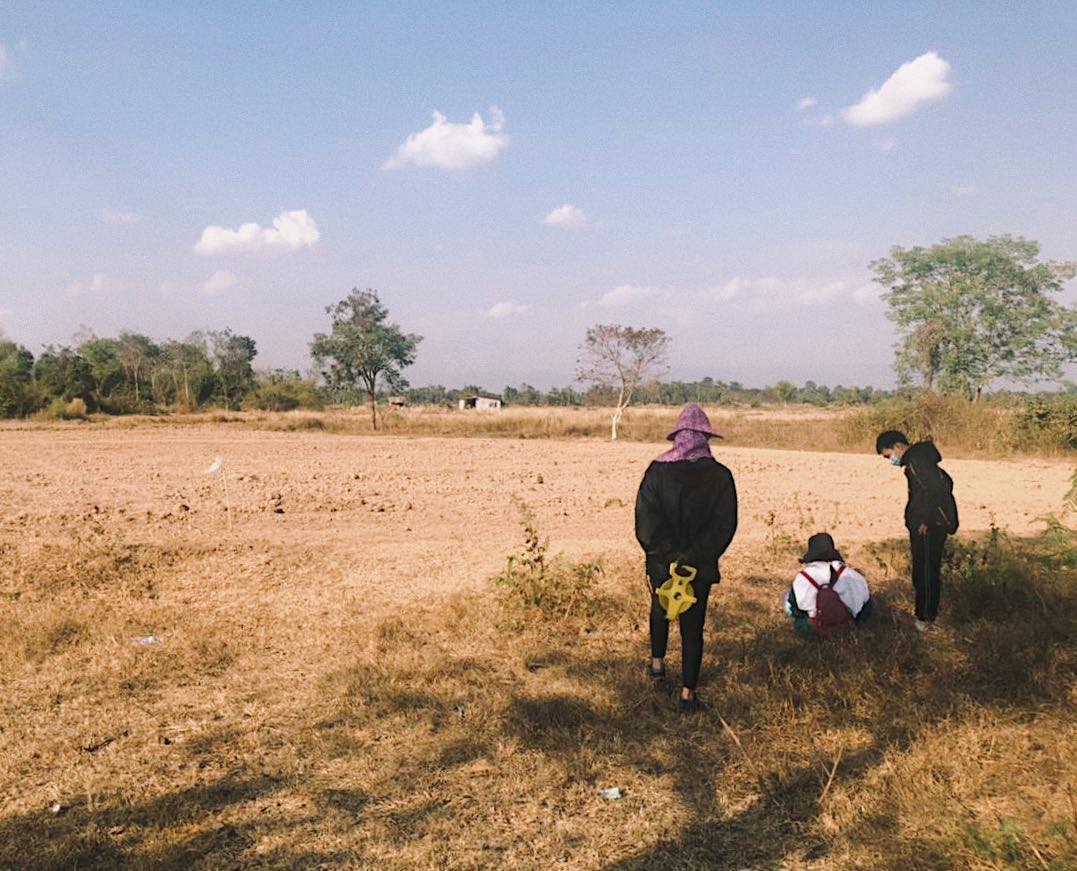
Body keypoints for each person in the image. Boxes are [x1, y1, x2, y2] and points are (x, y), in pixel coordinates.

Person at [635, 404, 738, 711]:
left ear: (677, 436)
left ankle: (656, 664)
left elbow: (645, 522)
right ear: (706, 437)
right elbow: (724, 526)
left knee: (660, 608)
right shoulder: (720, 476)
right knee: (694, 626)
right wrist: (692, 557)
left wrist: (667, 556)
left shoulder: (656, 470)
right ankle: (687, 693)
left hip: (661, 563)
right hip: (699, 567)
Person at [875, 430, 959, 632]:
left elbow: (936, 489)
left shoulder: (917, 461)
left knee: (926, 573)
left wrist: (925, 520)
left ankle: (925, 618)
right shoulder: (920, 460)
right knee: (923, 571)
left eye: (889, 455)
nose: (891, 460)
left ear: (897, 447)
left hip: (929, 528)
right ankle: (923, 615)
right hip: (929, 525)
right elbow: (944, 484)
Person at [784, 532, 871, 638]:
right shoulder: (853, 575)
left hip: (814, 630)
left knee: (787, 598)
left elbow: (795, 609)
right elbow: (866, 605)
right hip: (849, 627)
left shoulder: (803, 577)